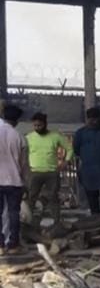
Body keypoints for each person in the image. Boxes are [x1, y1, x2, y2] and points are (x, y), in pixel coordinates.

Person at [25, 112, 72, 225]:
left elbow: (69, 148)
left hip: (52, 173)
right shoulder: (28, 138)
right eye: (35, 125)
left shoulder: (55, 136)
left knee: (53, 198)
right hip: (34, 172)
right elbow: (23, 153)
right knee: (31, 198)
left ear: (45, 124)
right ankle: (28, 222)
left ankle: (57, 223)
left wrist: (66, 161)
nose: (37, 128)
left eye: (39, 125)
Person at [0, 105, 27, 253]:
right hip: (14, 181)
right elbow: (24, 164)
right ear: (17, 121)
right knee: (13, 213)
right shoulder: (19, 137)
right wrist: (25, 182)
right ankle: (13, 245)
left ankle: (0, 245)